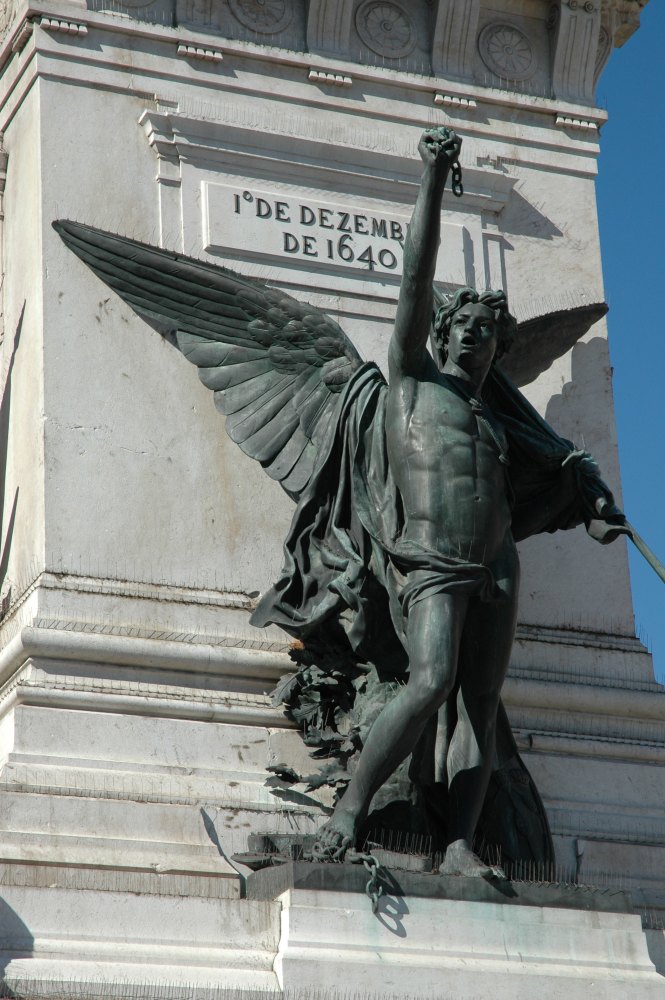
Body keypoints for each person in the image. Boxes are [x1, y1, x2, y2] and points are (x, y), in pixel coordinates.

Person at [312, 128, 598, 875]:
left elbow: (517, 509)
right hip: (432, 562)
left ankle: (460, 843)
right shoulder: (411, 384)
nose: (473, 336)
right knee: (430, 680)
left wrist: (576, 498)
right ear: (439, 335)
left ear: (497, 349)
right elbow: (413, 275)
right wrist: (432, 180)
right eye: (462, 327)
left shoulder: (496, 425)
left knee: (479, 704)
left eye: (485, 332)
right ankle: (350, 810)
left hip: (495, 563)